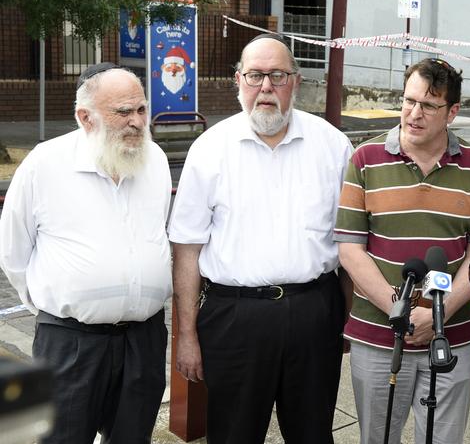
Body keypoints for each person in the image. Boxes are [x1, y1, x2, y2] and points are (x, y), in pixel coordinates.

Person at [168, 33, 354, 444]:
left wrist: (346, 319)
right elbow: (186, 251)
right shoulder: (209, 150)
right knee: (233, 434)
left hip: (314, 313)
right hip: (234, 320)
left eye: (277, 76)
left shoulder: (333, 146)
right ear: (238, 81)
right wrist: (187, 338)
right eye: (255, 76)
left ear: (296, 81)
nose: (266, 87)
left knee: (312, 434)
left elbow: (352, 243)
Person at [0, 63, 172, 444]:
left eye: (141, 109)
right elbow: (13, 253)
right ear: (85, 117)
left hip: (144, 339)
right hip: (72, 343)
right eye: (123, 112)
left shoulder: (155, 160)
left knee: (133, 436)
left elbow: (157, 230)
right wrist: (61, 308)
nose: (137, 122)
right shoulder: (44, 164)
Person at [334, 58, 470, 444]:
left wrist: (437, 314)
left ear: (452, 112)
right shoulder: (364, 160)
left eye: (428, 105)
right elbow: (350, 251)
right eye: (408, 101)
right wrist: (401, 310)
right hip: (377, 336)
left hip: (450, 337)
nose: (413, 113)